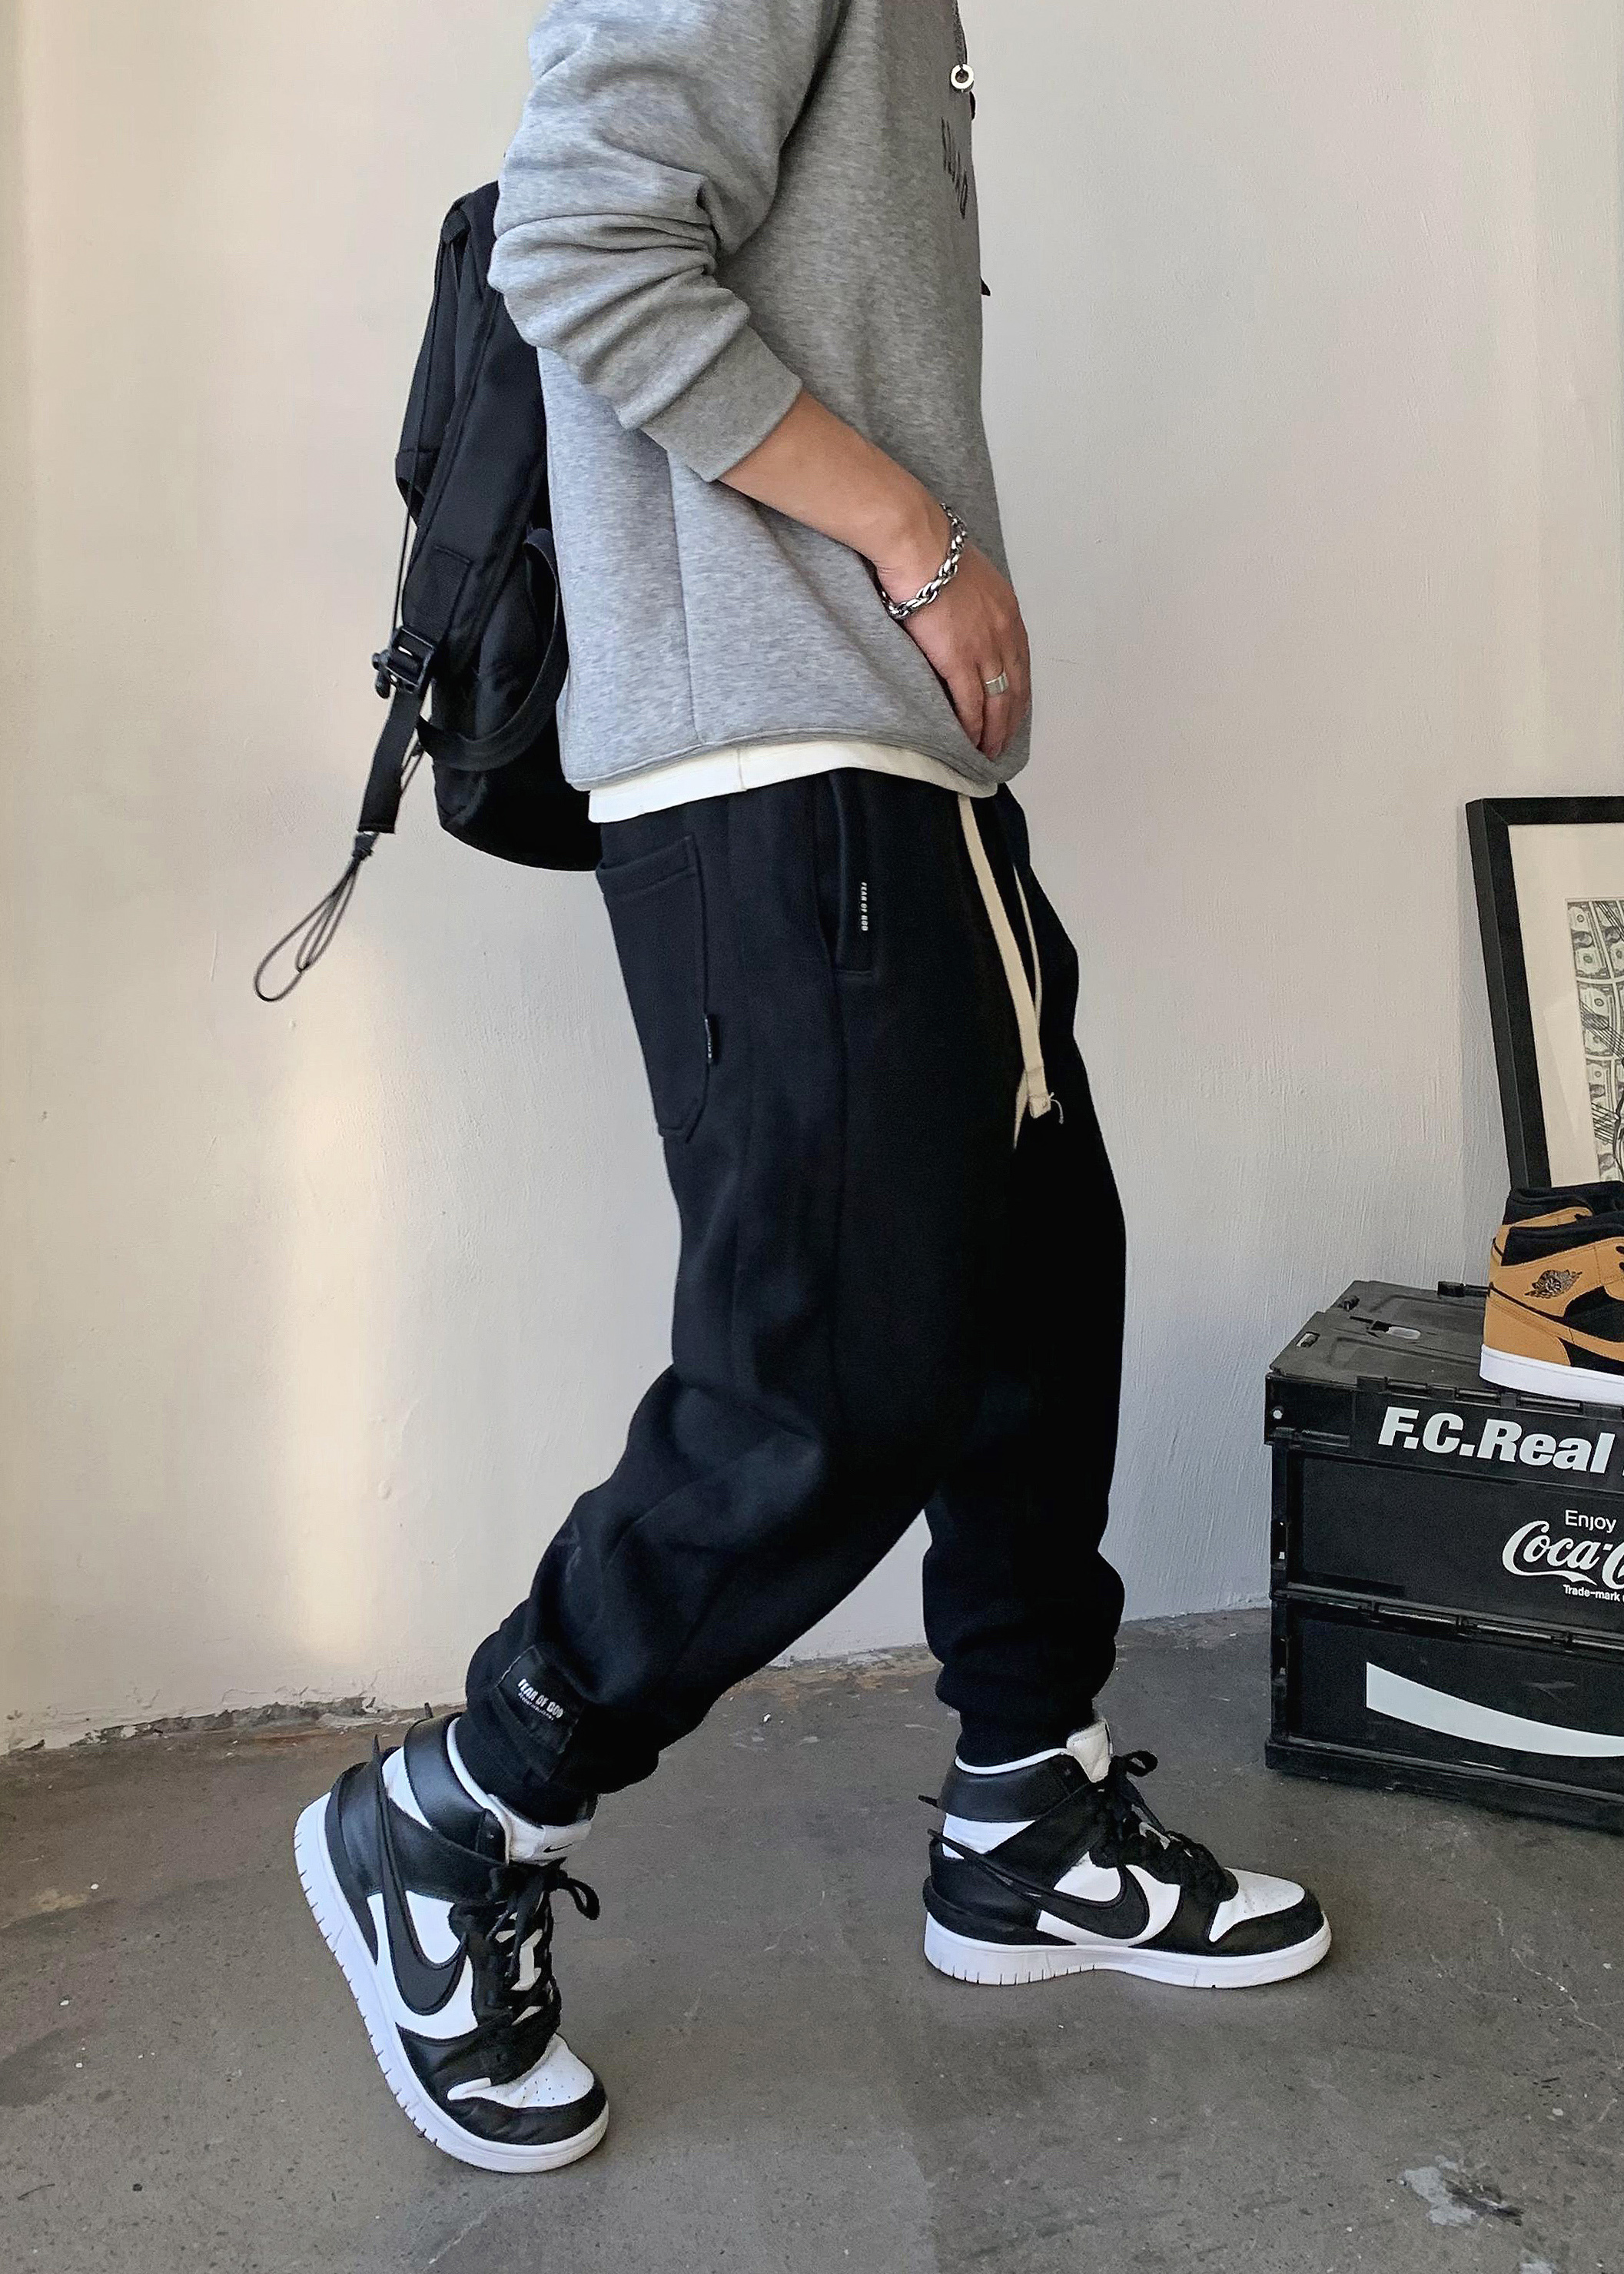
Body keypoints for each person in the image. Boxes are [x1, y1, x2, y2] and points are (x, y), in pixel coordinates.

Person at [294, 0, 1330, 2176]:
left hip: (894, 782)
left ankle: (1023, 1811)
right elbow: (581, 245)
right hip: (780, 769)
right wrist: (917, 545)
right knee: (828, 1384)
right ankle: (455, 1808)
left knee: (1035, 1300)